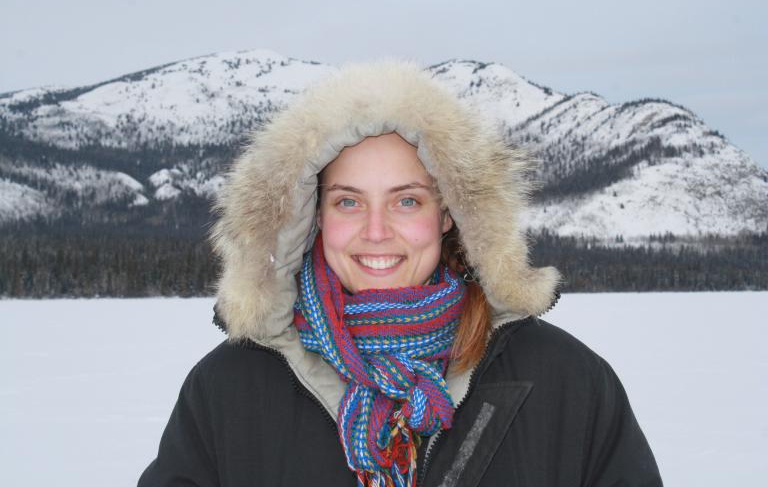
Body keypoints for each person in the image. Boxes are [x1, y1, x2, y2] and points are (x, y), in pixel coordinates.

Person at [138, 61, 662, 486]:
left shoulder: (563, 380)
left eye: (406, 201)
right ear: (313, 216)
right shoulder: (229, 389)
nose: (376, 231)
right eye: (348, 202)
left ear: (449, 213)